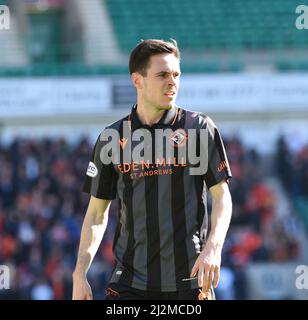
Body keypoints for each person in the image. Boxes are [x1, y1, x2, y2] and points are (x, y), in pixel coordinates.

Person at [72, 39, 232, 300]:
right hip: (128, 285)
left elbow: (222, 195)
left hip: (189, 280)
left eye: (176, 74)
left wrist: (213, 247)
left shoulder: (199, 128)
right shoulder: (112, 138)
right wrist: (80, 273)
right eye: (162, 75)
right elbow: (96, 214)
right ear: (138, 80)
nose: (172, 82)